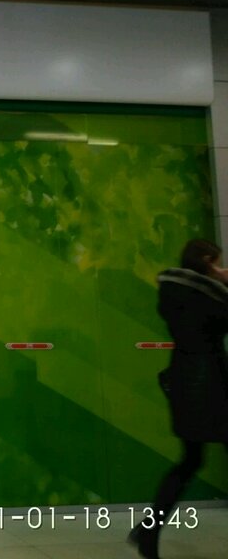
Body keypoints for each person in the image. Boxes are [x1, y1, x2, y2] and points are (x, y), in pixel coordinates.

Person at [129, 238, 228, 559]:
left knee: (190, 460)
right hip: (211, 383)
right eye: (216, 262)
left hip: (183, 379)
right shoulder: (208, 297)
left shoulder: (174, 292)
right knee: (193, 459)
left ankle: (149, 531)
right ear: (206, 261)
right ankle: (147, 532)